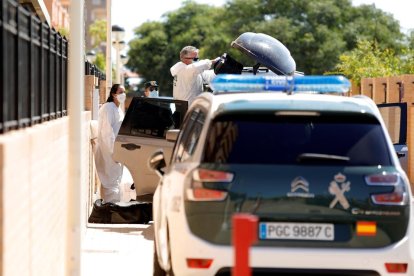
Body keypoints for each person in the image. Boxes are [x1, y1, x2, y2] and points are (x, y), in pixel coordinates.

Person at [94, 83, 126, 203]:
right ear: (113, 94)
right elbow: (107, 133)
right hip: (109, 151)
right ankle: (111, 211)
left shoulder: (117, 109)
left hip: (116, 151)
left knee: (115, 181)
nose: (123, 94)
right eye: (121, 92)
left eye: (124, 92)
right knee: (111, 182)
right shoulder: (108, 108)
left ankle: (114, 209)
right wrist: (114, 152)